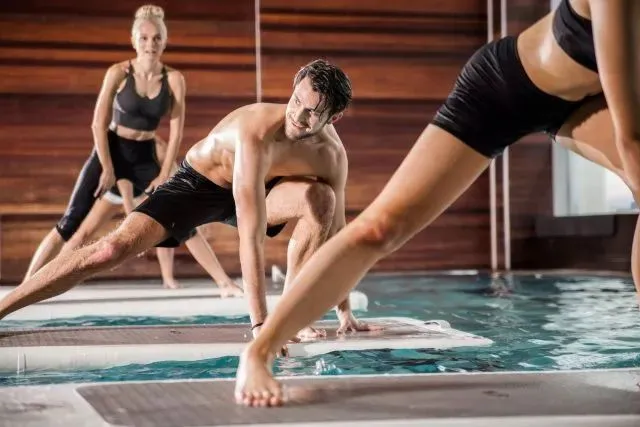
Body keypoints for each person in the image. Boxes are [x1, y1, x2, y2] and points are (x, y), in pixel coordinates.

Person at [233, 0, 640, 407]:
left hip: (582, 100)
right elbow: (631, 138)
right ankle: (261, 348)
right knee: (381, 228)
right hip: (506, 89)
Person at [0, 59, 373, 339]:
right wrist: (259, 325)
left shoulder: (331, 157)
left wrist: (343, 310)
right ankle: (4, 307)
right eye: (296, 101)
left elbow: (336, 232)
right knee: (108, 251)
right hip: (196, 185)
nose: (298, 116)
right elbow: (250, 237)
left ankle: (294, 315)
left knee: (321, 199)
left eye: (313, 112)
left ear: (335, 117)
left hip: (264, 191)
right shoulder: (255, 133)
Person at [24, 4, 187, 286]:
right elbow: (98, 124)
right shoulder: (118, 73)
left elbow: (176, 131)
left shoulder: (174, 79)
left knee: (171, 218)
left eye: (157, 38)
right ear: (133, 40)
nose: (151, 44)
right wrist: (107, 167)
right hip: (111, 149)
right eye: (144, 38)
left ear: (165, 40)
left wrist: (164, 174)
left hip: (145, 154)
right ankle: (28, 283)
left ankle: (184, 280)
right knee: (71, 223)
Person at [69, 136, 243, 295]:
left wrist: (199, 219)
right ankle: (64, 269)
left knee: (184, 230)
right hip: (117, 190)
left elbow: (180, 188)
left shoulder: (162, 155)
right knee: (83, 232)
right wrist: (133, 232)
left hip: (144, 191)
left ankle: (219, 282)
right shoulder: (129, 151)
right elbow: (126, 192)